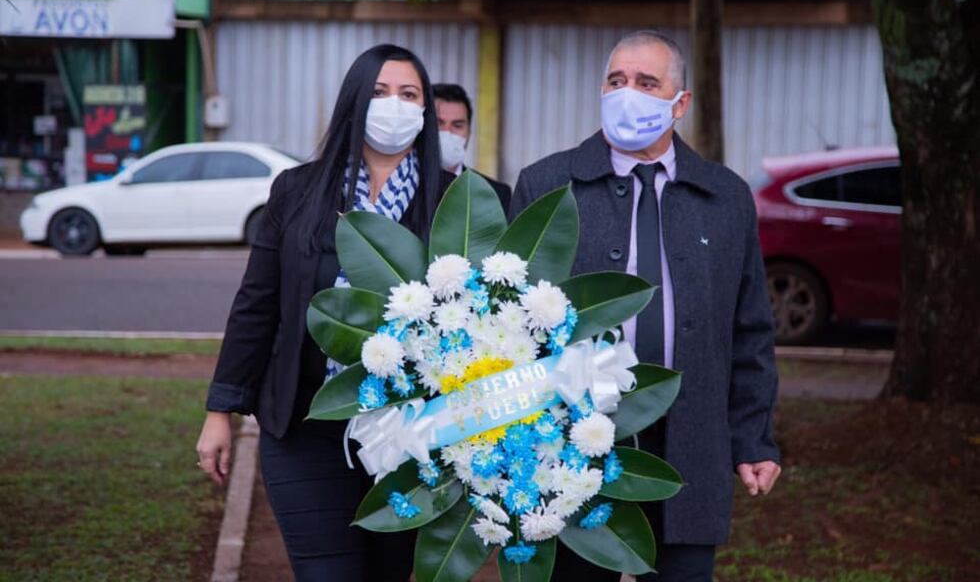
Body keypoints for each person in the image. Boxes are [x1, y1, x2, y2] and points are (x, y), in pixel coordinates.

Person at [509, 30, 781, 581]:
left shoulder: (724, 197)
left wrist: (752, 438)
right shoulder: (546, 184)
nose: (626, 93)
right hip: (571, 445)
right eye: (616, 81)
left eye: (646, 82)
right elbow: (510, 324)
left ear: (679, 104)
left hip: (691, 438)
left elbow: (749, 327)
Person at [195, 44, 455, 582]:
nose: (394, 105)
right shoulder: (298, 191)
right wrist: (221, 409)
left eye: (409, 95)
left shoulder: (452, 203)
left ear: (425, 111)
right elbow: (256, 305)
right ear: (354, 102)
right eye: (380, 92)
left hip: (412, 434)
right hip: (304, 425)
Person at [432, 82, 511, 211]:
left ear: (469, 133)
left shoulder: (494, 194)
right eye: (438, 123)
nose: (448, 132)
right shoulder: (402, 186)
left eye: (457, 125)